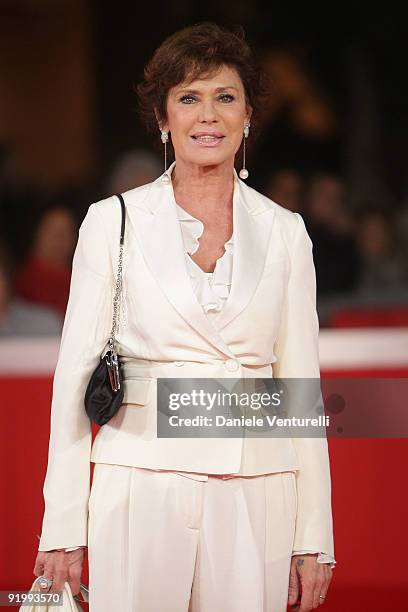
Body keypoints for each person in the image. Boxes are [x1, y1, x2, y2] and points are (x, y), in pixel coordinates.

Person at [33, 22, 336, 612]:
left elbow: (299, 392)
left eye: (225, 97)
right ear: (162, 118)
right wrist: (63, 526)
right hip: (139, 485)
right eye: (188, 98)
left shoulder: (285, 231)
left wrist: (313, 535)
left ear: (248, 116)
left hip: (257, 492)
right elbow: (72, 381)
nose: (208, 115)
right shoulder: (111, 221)